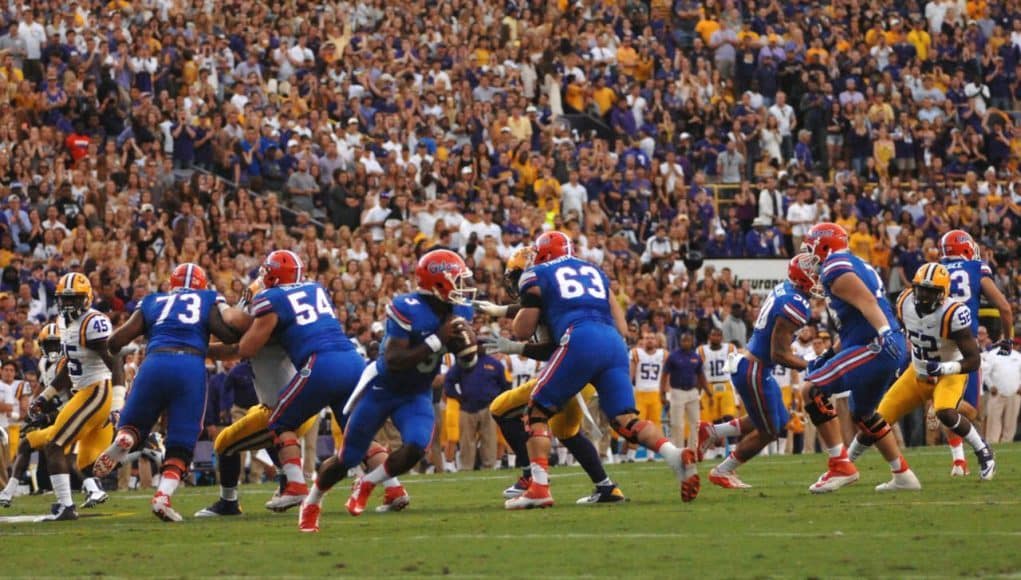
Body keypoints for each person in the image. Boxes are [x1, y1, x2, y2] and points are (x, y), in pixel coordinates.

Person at [504, 231, 699, 509]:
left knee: (536, 411)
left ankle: (539, 487)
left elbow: (522, 330)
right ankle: (673, 454)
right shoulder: (594, 271)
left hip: (580, 339)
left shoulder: (535, 274)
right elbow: (622, 327)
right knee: (625, 421)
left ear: (543, 253)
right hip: (614, 345)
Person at [299, 249, 474, 532]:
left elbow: (465, 359)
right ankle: (313, 500)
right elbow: (394, 360)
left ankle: (368, 482)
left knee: (417, 446)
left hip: (416, 392)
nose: (463, 286)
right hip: (383, 388)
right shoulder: (407, 306)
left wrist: (469, 351)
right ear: (438, 283)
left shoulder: (461, 309)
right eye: (457, 279)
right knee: (348, 458)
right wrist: (437, 339)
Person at [213, 250, 369, 531]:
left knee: (230, 441)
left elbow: (239, 339)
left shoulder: (269, 303)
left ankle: (239, 498)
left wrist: (219, 309)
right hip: (343, 363)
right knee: (356, 432)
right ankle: (393, 486)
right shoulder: (313, 290)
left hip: (300, 387)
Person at [91, 263, 242, 522]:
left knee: (135, 425)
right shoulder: (207, 298)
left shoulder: (153, 300)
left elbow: (117, 341)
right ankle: (162, 496)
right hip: (189, 366)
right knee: (182, 442)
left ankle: (126, 437)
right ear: (201, 284)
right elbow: (228, 336)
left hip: (154, 361)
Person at [479, 247, 626, 505]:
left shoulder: (547, 294)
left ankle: (531, 478)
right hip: (586, 371)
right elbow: (532, 308)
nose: (515, 283)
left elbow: (550, 347)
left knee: (503, 408)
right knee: (566, 432)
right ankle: (607, 487)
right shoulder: (561, 295)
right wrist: (499, 310)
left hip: (572, 371)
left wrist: (514, 347)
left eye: (517, 276)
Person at [798, 223, 918, 494]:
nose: (808, 254)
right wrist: (830, 353)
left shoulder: (834, 267)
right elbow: (854, 324)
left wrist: (885, 335)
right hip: (874, 342)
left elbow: (868, 304)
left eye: (811, 247)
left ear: (825, 246)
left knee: (811, 389)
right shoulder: (851, 263)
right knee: (863, 414)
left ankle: (841, 466)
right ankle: (903, 475)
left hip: (875, 345)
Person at [850, 263, 995, 481]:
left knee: (944, 411)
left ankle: (983, 450)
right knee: (877, 420)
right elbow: (899, 334)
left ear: (943, 293)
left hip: (950, 373)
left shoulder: (954, 313)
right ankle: (845, 464)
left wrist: (944, 368)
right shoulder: (904, 301)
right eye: (921, 289)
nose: (924, 296)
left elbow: (973, 360)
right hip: (917, 371)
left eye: (931, 291)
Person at [699, 254, 815, 487]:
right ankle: (723, 470)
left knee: (779, 419)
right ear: (802, 277)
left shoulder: (786, 289)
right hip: (756, 369)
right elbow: (778, 354)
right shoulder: (795, 304)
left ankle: (712, 432)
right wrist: (812, 365)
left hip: (757, 367)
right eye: (813, 273)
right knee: (770, 431)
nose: (818, 277)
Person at [24, 274, 123, 521]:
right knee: (80, 458)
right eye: (65, 299)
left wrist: (119, 403)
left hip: (97, 391)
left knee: (54, 444)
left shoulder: (93, 322)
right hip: (83, 391)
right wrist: (45, 396)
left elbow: (117, 364)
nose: (69, 304)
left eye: (74, 298)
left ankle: (66, 507)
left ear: (87, 297)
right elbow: (70, 366)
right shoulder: (65, 322)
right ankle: (66, 504)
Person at [938, 230, 1014, 475]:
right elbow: (1004, 307)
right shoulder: (976, 268)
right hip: (965, 344)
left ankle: (959, 461)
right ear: (967, 248)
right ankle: (971, 451)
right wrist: (1007, 338)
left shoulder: (935, 269)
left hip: (936, 343)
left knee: (948, 406)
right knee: (970, 409)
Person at [0, 323, 61, 506]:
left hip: (73, 411)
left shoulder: (67, 363)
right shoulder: (43, 363)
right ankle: (9, 491)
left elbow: (72, 396)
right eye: (48, 344)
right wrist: (35, 409)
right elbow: (42, 389)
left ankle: (90, 488)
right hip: (55, 413)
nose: (51, 349)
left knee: (76, 456)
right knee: (30, 446)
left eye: (55, 344)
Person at [443, 349, 508, 470]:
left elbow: (504, 385)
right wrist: (458, 397)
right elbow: (449, 381)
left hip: (489, 407)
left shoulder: (494, 364)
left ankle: (489, 466)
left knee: (489, 438)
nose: (481, 347)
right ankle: (466, 467)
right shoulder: (464, 361)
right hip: (467, 407)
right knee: (466, 440)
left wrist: (497, 401)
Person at [625, 331, 667, 461]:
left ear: (657, 341)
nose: (649, 340)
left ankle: (651, 455)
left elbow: (666, 377)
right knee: (636, 425)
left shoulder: (663, 354)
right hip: (640, 393)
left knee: (655, 425)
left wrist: (666, 392)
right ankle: (631, 455)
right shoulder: (636, 353)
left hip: (655, 393)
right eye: (647, 338)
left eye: (652, 338)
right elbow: (630, 375)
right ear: (642, 340)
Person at [697, 328, 738, 459]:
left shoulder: (730, 348)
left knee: (728, 418)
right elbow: (698, 372)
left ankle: (732, 449)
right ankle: (716, 450)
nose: (716, 337)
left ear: (722, 337)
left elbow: (735, 369)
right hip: (709, 386)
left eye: (719, 335)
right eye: (713, 335)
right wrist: (698, 393)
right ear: (709, 336)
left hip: (726, 384)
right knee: (712, 421)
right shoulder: (702, 350)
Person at [662, 333, 706, 450]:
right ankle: (678, 450)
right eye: (683, 340)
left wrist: (704, 392)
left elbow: (701, 375)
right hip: (677, 391)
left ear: (692, 342)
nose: (685, 343)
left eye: (688, 340)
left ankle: (693, 450)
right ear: (680, 341)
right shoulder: (673, 356)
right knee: (677, 423)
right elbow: (665, 374)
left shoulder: (696, 357)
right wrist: (662, 392)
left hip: (692, 391)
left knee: (695, 423)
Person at [982, 339, 1021, 444]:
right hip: (996, 394)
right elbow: (985, 373)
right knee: (993, 421)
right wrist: (990, 386)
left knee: (1011, 422)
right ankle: (992, 443)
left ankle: (1007, 443)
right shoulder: (992, 354)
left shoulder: (1017, 356)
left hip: (1015, 393)